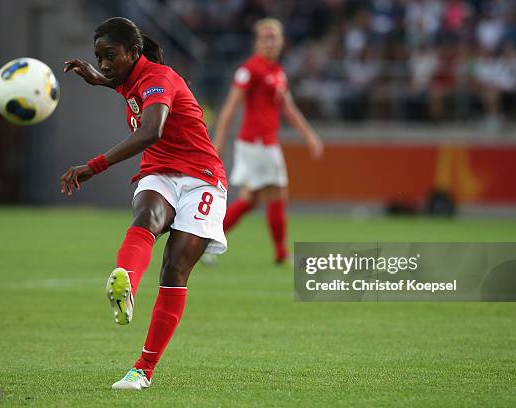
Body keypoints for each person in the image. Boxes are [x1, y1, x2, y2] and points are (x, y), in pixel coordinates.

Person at [60, 17, 227, 390]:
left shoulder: (159, 78)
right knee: (147, 214)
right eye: (98, 57)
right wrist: (99, 79)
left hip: (203, 177)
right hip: (160, 172)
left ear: (133, 53)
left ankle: (143, 369)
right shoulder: (129, 77)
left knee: (174, 268)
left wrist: (94, 166)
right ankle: (127, 285)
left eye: (110, 56)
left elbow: (151, 129)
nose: (104, 63)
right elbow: (123, 85)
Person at [211, 18, 323, 264]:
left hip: (264, 143)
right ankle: (281, 252)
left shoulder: (277, 72)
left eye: (274, 38)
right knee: (277, 193)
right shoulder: (251, 69)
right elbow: (231, 106)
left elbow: (289, 108)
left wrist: (309, 135)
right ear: (257, 42)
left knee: (250, 200)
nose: (269, 42)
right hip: (256, 142)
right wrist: (218, 141)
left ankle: (208, 241)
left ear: (282, 42)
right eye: (265, 38)